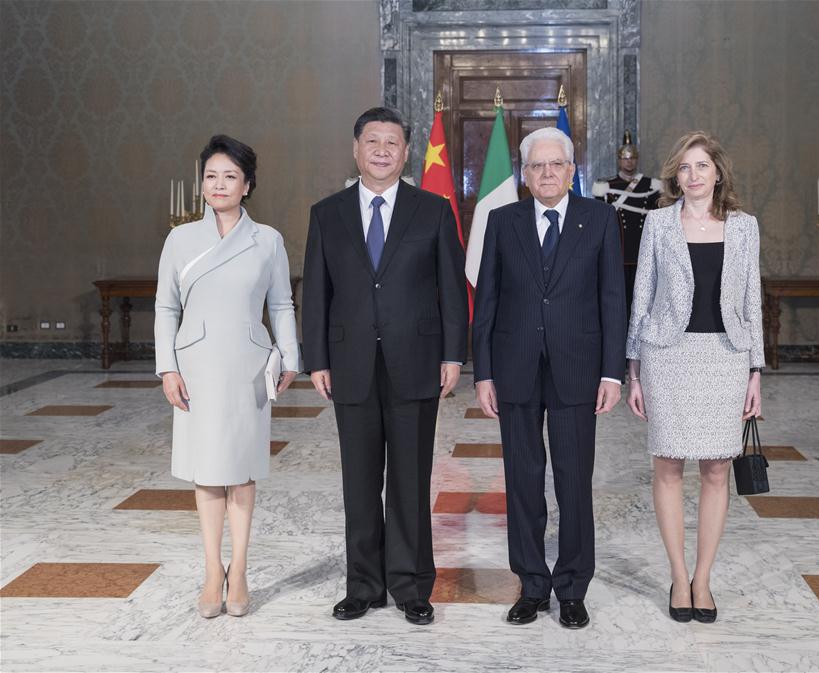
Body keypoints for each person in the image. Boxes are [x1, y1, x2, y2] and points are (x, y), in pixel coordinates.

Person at [301, 107, 468, 626]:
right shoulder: (327, 214)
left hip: (416, 361)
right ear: (356, 148)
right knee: (359, 480)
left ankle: (412, 585)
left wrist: (452, 355)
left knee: (411, 481)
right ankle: (364, 586)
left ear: (405, 153)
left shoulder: (432, 210)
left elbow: (451, 290)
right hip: (350, 362)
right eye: (372, 141)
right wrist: (316, 360)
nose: (381, 150)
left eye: (391, 143)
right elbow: (317, 293)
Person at [472, 127, 627, 629]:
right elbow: (487, 302)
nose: (546, 174)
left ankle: (573, 588)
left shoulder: (600, 219)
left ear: (571, 169)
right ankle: (533, 585)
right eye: (536, 166)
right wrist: (484, 373)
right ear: (523, 173)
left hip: (578, 371)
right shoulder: (502, 221)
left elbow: (611, 300)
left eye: (555, 164)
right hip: (514, 370)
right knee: (521, 482)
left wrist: (612, 372)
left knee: (574, 482)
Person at [155, 135, 300, 618]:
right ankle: (210, 569)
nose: (218, 185)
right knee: (206, 470)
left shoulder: (268, 240)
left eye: (230, 176)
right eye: (211, 176)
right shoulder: (179, 239)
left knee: (239, 470)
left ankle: (238, 569)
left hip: (246, 367)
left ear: (248, 185)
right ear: (202, 183)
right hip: (195, 367)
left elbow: (280, 303)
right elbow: (166, 306)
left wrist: (291, 356)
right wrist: (167, 367)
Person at [624, 131, 764, 624]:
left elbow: (752, 301)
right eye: (684, 168)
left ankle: (703, 579)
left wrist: (755, 372)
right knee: (667, 467)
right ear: (675, 176)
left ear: (718, 173)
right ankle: (678, 575)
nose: (693, 175)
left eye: (702, 166)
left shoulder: (745, 227)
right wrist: (634, 369)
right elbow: (641, 296)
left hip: (726, 357)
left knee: (716, 470)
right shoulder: (659, 224)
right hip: (668, 355)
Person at [592, 130, 661, 313]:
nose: (629, 162)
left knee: (643, 301)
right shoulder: (607, 187)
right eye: (625, 158)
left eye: (632, 158)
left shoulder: (651, 186)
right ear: (619, 160)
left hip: (643, 250)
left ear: (637, 160)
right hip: (618, 252)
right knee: (619, 302)